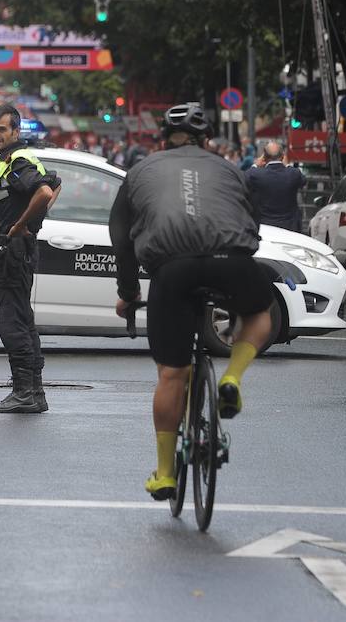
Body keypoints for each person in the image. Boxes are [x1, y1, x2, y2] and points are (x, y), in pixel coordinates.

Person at [109, 102, 276, 502]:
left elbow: (122, 239)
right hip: (231, 262)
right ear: (207, 140)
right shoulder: (231, 169)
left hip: (173, 271)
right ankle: (233, 377)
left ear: (163, 139)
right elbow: (252, 224)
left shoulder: (139, 171)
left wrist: (128, 293)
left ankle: (166, 473)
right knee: (260, 312)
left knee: (172, 375)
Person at [0, 103, 60, 414]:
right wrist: (32, 222)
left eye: (2, 129)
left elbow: (45, 192)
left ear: (16, 131)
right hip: (15, 252)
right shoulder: (14, 159)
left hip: (12, 253)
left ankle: (25, 392)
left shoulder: (18, 162)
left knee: (11, 322)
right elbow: (55, 183)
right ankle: (33, 392)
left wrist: (21, 225)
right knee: (23, 319)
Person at [245, 141, 305, 232]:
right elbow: (303, 181)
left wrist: (255, 165)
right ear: (283, 156)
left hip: (264, 227)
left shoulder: (255, 174)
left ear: (264, 157)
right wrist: (288, 165)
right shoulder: (293, 174)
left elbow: (244, 178)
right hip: (289, 227)